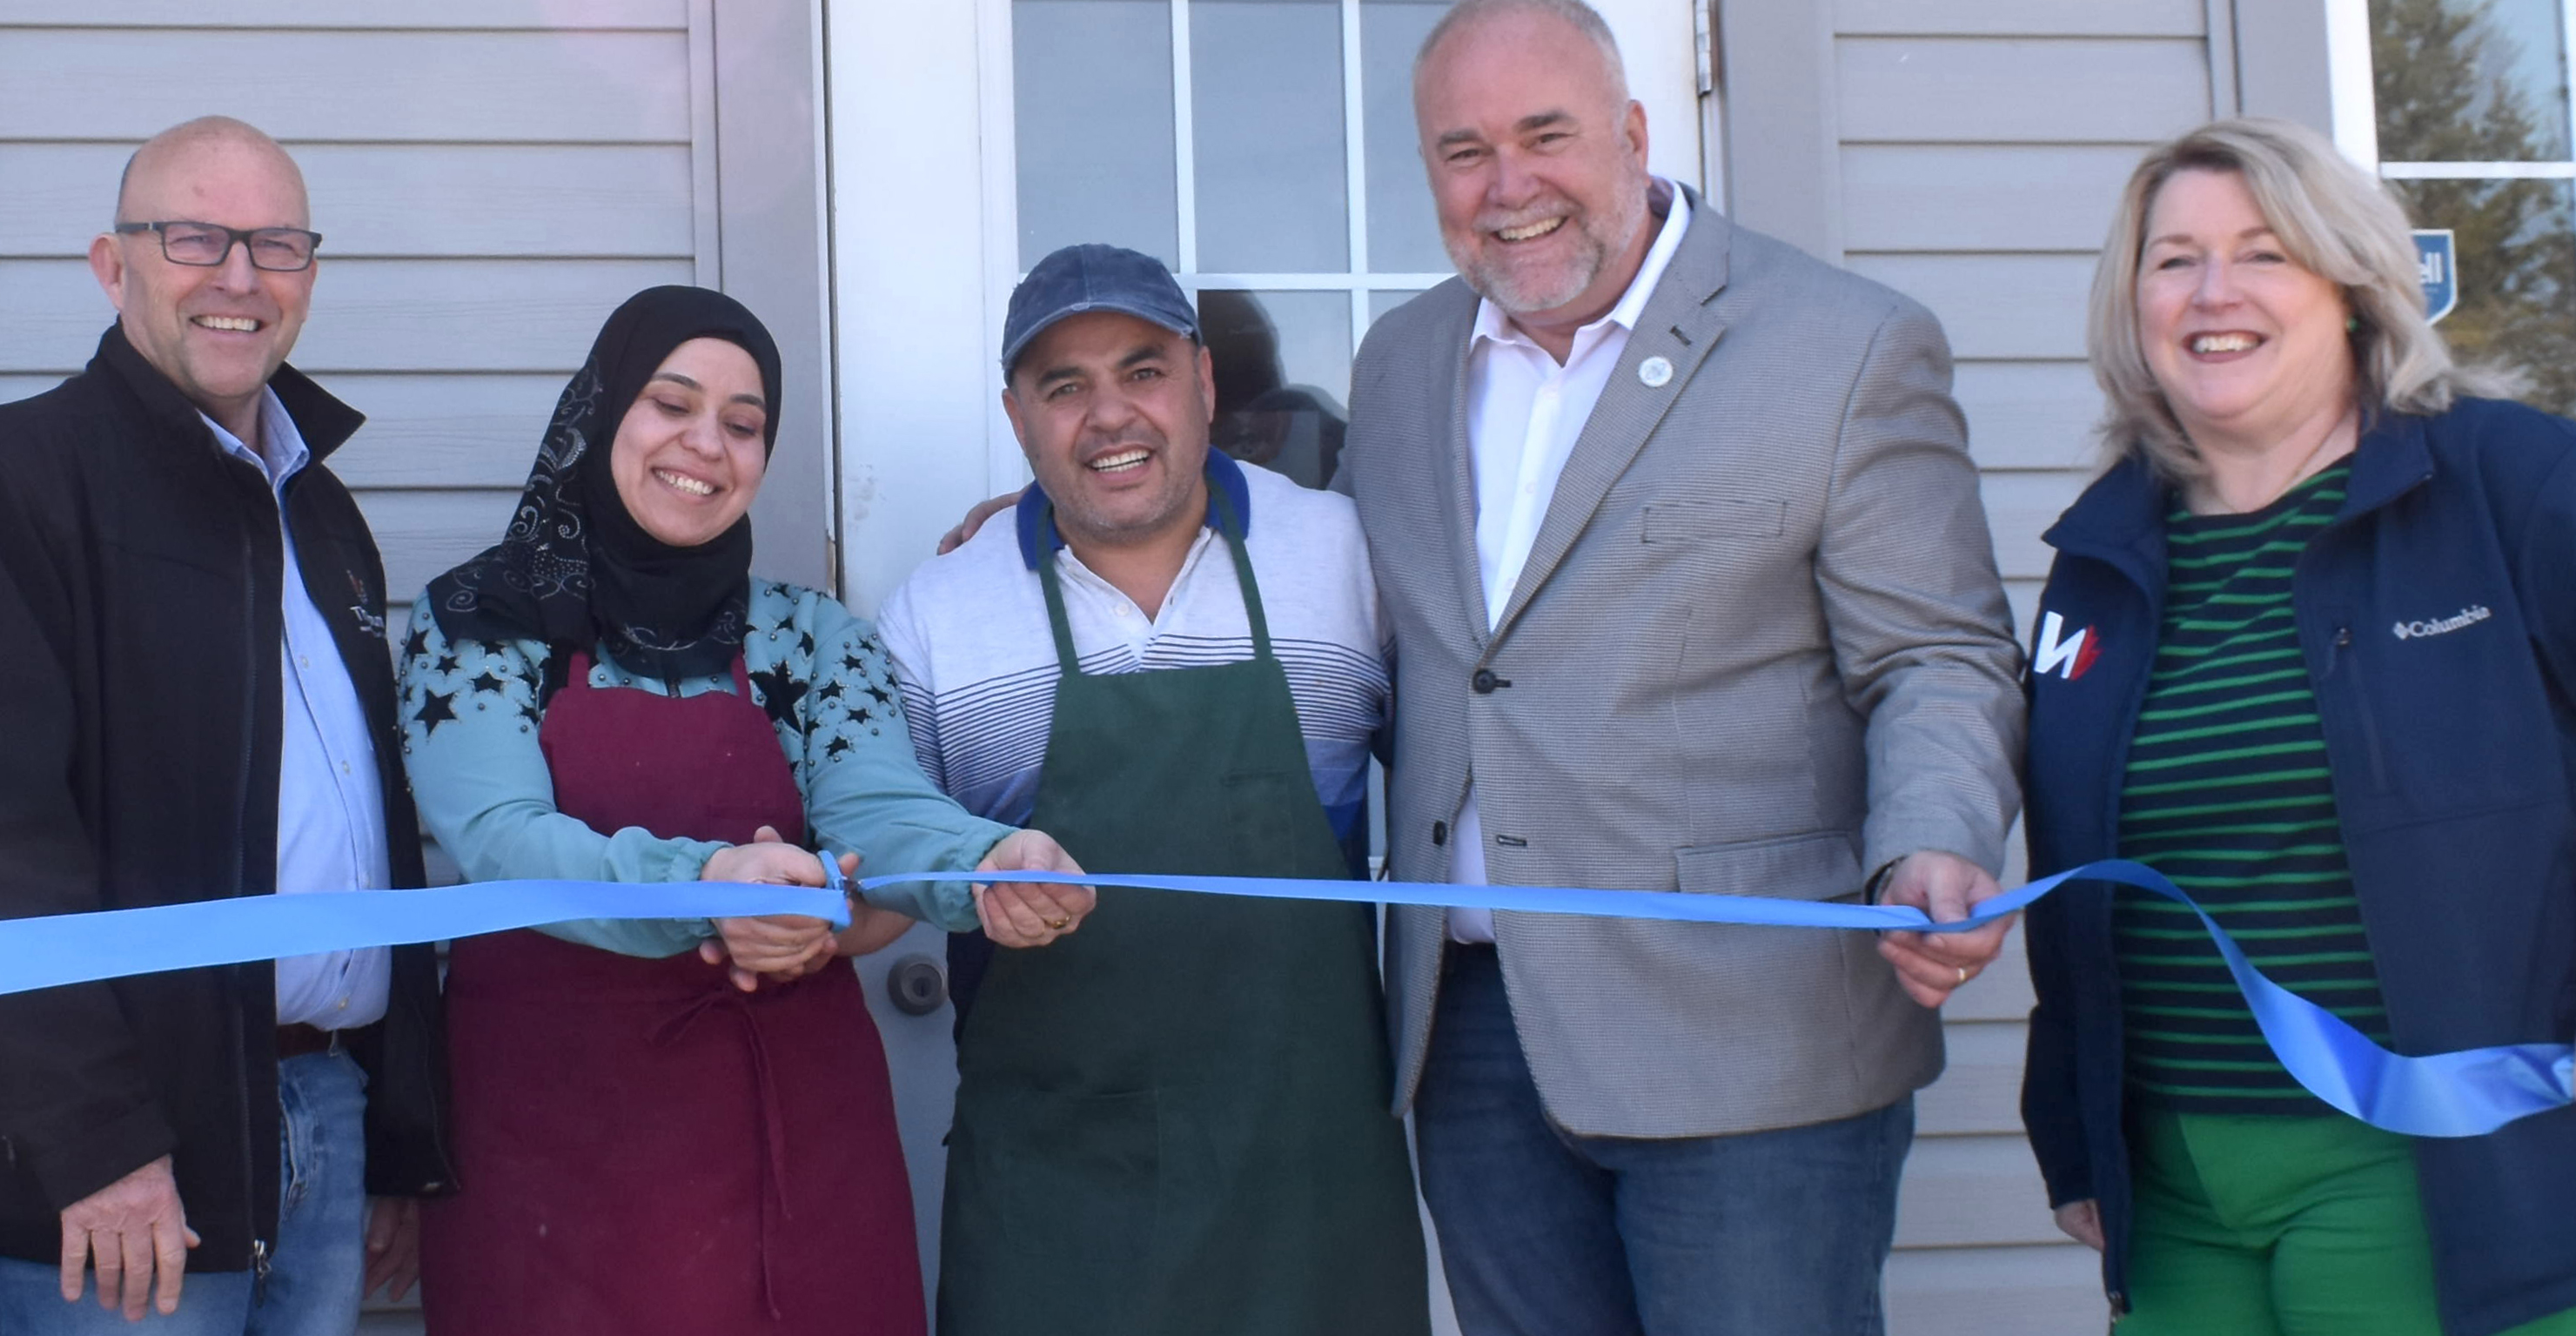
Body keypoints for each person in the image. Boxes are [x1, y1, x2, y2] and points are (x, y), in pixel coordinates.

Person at [1338, 3, 2027, 1333]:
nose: (1509, 185)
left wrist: (1930, 840)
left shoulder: (1843, 346)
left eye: (1547, 135)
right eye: (1464, 150)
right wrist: (1051, 537)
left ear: (1635, 134)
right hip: (1476, 1032)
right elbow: (1366, 615)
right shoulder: (1401, 362)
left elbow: (1935, 650)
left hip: (1752, 1035)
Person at [397, 284, 1090, 1336]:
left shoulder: (811, 637)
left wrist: (989, 858)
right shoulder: (484, 625)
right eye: (671, 404)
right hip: (554, 1148)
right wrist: (707, 886)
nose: (705, 444)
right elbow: (499, 838)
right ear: (603, 414)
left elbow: (879, 807)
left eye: (743, 421)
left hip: (796, 1145)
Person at [2022, 117, 2576, 1336]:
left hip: (2437, 1164)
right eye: (2173, 260)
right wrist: (2077, 1133)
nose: (2213, 292)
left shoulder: (2510, 484)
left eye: (2263, 252)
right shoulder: (2101, 557)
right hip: (2172, 1195)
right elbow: (2077, 868)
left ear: (2351, 285)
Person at [0, 116, 450, 1333]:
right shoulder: (21, 478)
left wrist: (396, 1132)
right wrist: (92, 1138)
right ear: (113, 263)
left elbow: (373, 826)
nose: (240, 276)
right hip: (112, 1160)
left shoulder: (322, 513)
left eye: (278, 244)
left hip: (320, 1117)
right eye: (195, 236)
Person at [885, 243, 1428, 1336]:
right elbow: (877, 880)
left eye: (1143, 371)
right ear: (1017, 414)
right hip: (1052, 1198)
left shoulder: (1349, 557)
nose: (1110, 415)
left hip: (1308, 1186)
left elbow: (1472, 775)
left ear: (1205, 383)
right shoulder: (938, 613)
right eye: (1064, 386)